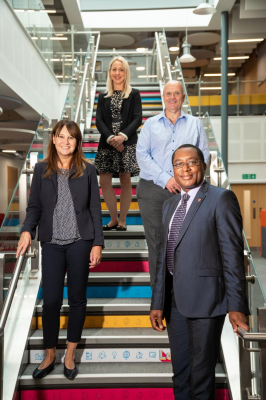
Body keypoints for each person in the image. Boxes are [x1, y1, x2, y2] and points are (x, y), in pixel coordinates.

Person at [150, 144, 249, 400]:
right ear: (173, 169)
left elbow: (232, 256)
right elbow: (163, 256)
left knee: (201, 376)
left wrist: (237, 305)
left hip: (206, 301)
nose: (185, 169)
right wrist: (157, 302)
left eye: (191, 162)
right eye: (179, 164)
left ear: (202, 166)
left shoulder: (221, 198)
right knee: (180, 376)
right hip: (174, 304)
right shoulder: (169, 205)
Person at [16, 120, 104, 380]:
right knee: (52, 300)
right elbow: (34, 207)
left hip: (80, 241)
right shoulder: (42, 169)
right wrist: (26, 230)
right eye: (61, 136)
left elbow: (96, 209)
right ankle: (50, 354)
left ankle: (69, 354)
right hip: (52, 242)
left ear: (77, 142)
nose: (66, 141)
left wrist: (97, 242)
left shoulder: (88, 170)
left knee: (77, 299)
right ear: (53, 139)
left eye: (71, 137)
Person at [136, 80, 210, 289]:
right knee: (158, 245)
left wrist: (187, 180)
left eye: (176, 93)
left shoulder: (195, 124)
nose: (172, 97)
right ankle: (159, 297)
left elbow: (203, 156)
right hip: (153, 191)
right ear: (163, 97)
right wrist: (166, 179)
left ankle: (184, 295)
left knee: (188, 243)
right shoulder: (151, 124)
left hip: (188, 192)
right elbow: (141, 155)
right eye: (168, 93)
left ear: (183, 97)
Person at [94, 56, 142, 232]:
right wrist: (111, 139)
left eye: (121, 69)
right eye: (114, 69)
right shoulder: (102, 96)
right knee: (104, 181)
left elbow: (137, 118)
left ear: (126, 72)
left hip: (127, 144)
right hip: (107, 144)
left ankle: (122, 220)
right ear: (110, 72)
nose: (117, 73)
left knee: (125, 179)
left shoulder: (134, 94)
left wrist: (122, 136)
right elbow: (98, 120)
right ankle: (113, 219)